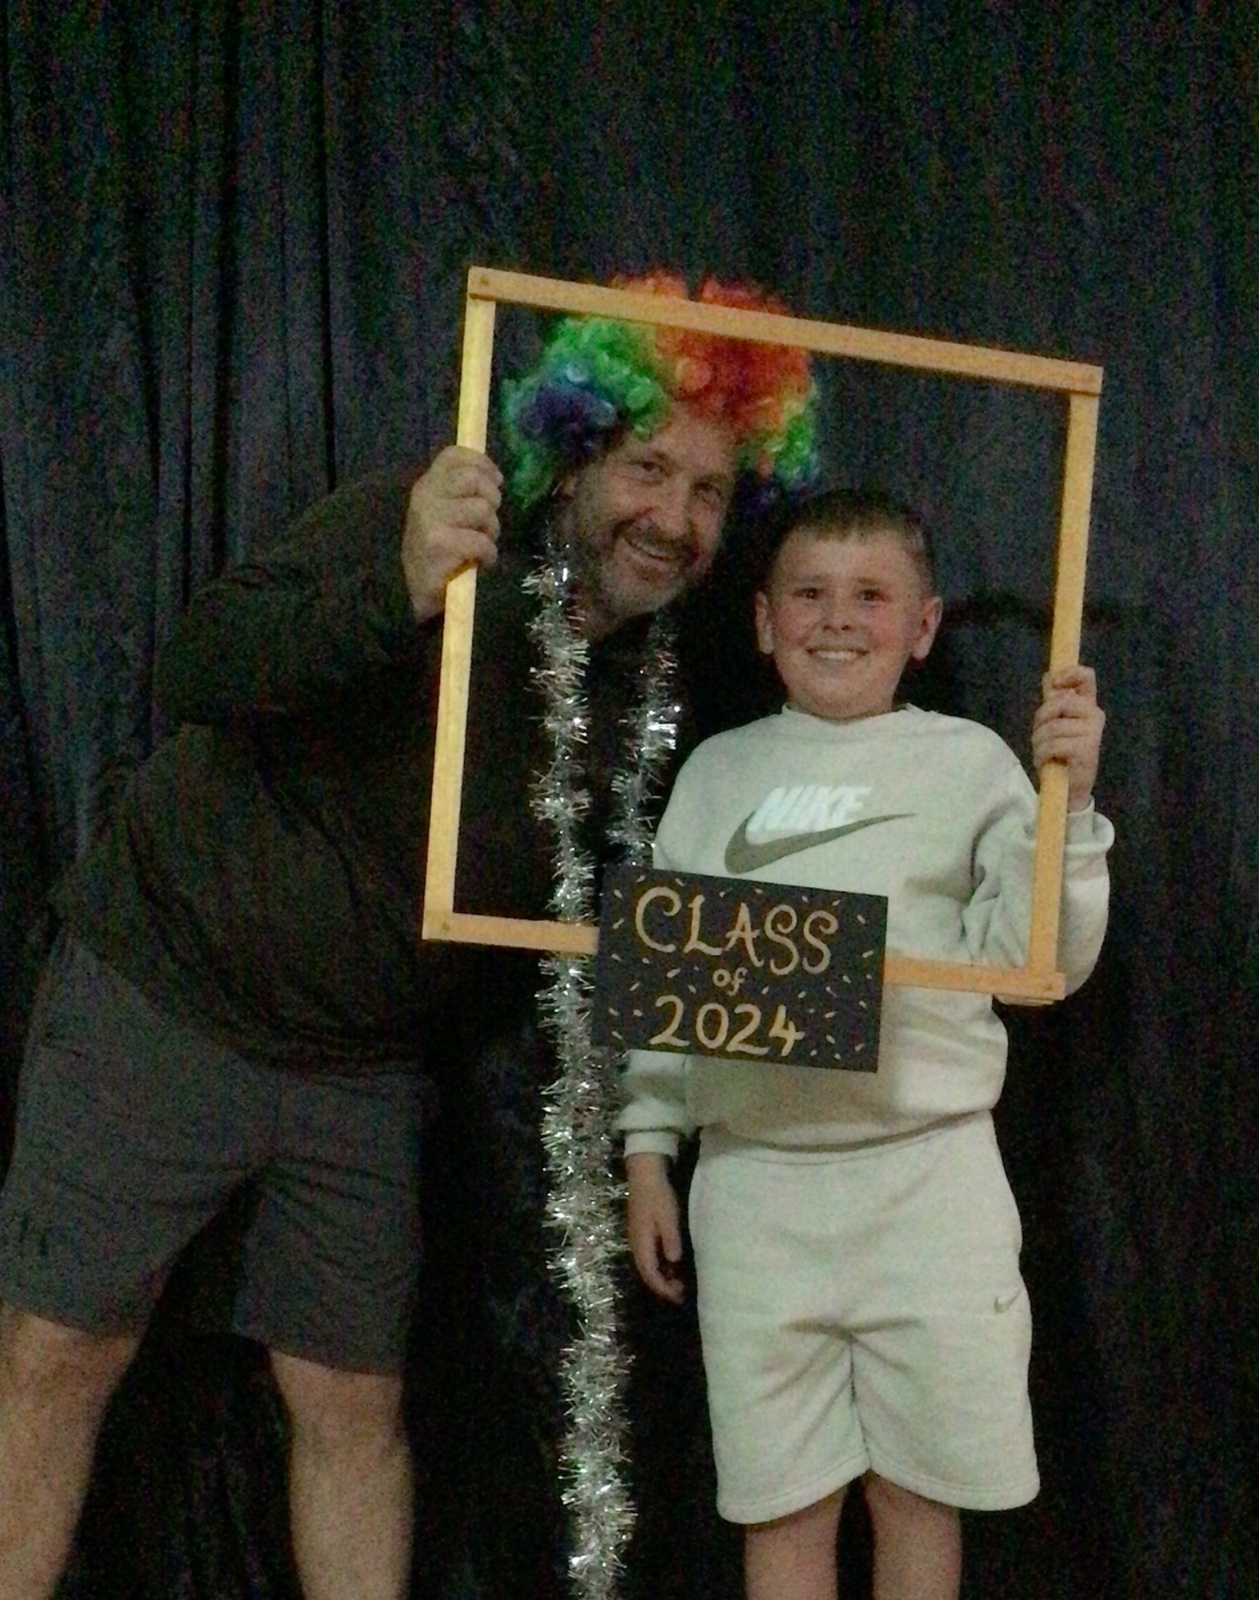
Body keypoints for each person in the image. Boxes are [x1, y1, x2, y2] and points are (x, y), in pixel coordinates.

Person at [0, 272, 818, 1600]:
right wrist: (397, 583)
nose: (672, 518)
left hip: (360, 1070)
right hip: (168, 992)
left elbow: (611, 936)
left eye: (710, 491)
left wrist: (866, 991)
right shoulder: (433, 520)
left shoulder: (656, 694)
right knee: (59, 1353)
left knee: (349, 1400)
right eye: (647, 468)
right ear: (574, 452)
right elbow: (199, 666)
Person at [620, 488, 1113, 1600]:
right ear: (763, 621)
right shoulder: (713, 774)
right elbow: (664, 984)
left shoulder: (972, 762)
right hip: (755, 1192)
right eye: (808, 594)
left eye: (869, 597)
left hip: (927, 1184)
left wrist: (1070, 806)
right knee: (780, 1503)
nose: (836, 620)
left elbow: (1038, 961)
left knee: (916, 1495)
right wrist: (648, 1149)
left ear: (922, 626)